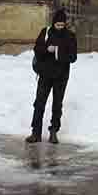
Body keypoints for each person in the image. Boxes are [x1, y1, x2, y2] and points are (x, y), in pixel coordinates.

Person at [26, 8, 77, 144]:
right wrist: (47, 49)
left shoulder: (70, 36)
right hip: (45, 74)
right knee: (39, 103)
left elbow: (73, 57)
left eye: (62, 25)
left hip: (61, 76)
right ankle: (35, 132)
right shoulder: (46, 32)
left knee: (57, 105)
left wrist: (58, 52)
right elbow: (37, 49)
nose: (60, 27)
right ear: (53, 23)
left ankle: (53, 131)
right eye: (57, 25)